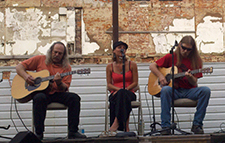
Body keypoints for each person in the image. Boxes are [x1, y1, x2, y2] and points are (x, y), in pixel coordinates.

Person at [15, 41, 86, 140]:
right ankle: (39, 133)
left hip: (58, 93)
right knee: (39, 98)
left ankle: (73, 132)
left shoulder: (67, 68)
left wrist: (59, 82)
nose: (57, 55)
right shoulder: (40, 59)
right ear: (51, 51)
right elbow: (19, 67)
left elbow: (64, 88)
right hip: (43, 93)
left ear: (63, 55)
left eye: (60, 53)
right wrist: (26, 77)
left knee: (74, 98)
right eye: (55, 52)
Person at [149, 35, 211, 135]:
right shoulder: (171, 56)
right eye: (183, 48)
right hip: (174, 91)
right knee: (165, 90)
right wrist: (161, 76)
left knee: (205, 91)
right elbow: (152, 66)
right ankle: (165, 126)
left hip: (189, 91)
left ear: (192, 49)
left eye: (188, 49)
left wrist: (190, 77)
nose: (185, 51)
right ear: (179, 46)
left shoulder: (196, 60)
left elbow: (195, 82)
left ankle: (197, 125)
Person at [106, 41, 138, 132]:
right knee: (121, 95)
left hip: (129, 93)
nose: (122, 49)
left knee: (123, 95)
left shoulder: (132, 65)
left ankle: (116, 123)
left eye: (124, 48)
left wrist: (125, 89)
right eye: (119, 47)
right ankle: (125, 127)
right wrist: (118, 90)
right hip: (115, 93)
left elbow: (135, 83)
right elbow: (109, 84)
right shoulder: (110, 66)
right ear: (114, 51)